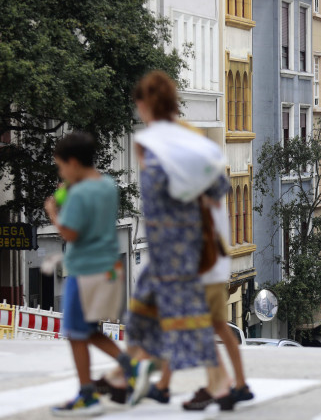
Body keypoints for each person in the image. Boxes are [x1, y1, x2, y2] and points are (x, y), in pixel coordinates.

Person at [121, 70, 232, 408]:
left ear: (144, 105)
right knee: (165, 315)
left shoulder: (152, 146)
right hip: (184, 244)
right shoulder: (189, 140)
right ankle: (135, 377)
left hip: (172, 249)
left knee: (180, 319)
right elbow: (218, 188)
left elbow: (162, 197)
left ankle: (217, 386)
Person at [44, 132, 141, 417]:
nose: (61, 172)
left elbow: (70, 232)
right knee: (87, 330)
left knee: (75, 333)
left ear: (73, 163)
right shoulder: (108, 185)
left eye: (61, 166)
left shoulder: (78, 193)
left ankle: (87, 395)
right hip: (108, 267)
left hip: (84, 269)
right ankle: (131, 365)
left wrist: (53, 212)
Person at [148, 204, 255, 410]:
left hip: (203, 275)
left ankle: (223, 385)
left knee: (200, 329)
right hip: (208, 273)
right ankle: (231, 384)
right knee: (200, 329)